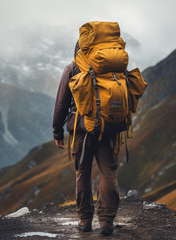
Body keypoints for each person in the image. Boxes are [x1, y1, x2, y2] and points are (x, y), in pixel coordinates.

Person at [52, 40, 120, 236]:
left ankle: (85, 220)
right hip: (109, 128)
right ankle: (107, 221)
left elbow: (61, 103)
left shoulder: (73, 68)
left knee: (83, 172)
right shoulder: (112, 67)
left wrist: (57, 131)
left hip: (82, 131)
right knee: (109, 173)